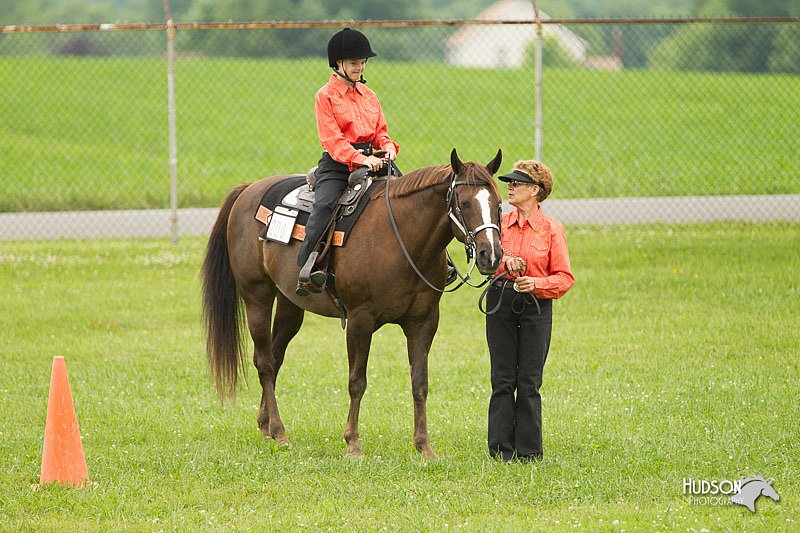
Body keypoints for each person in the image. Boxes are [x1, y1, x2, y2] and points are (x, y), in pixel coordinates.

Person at [296, 27, 400, 296]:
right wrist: (361, 160)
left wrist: (387, 148)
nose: (360, 67)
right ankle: (307, 267)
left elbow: (380, 132)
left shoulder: (370, 96)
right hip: (338, 164)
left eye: (363, 62)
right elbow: (333, 142)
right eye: (354, 62)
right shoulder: (325, 96)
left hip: (372, 160)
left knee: (411, 198)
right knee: (324, 205)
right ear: (338, 64)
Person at [485, 160, 575, 463]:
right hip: (501, 303)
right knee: (502, 379)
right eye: (510, 182)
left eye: (517, 183)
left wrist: (535, 283)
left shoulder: (552, 230)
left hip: (536, 308)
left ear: (535, 191)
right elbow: (485, 259)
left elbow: (564, 278)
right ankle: (500, 452)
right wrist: (503, 264)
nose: (510, 187)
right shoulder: (499, 224)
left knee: (528, 382)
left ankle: (529, 453)